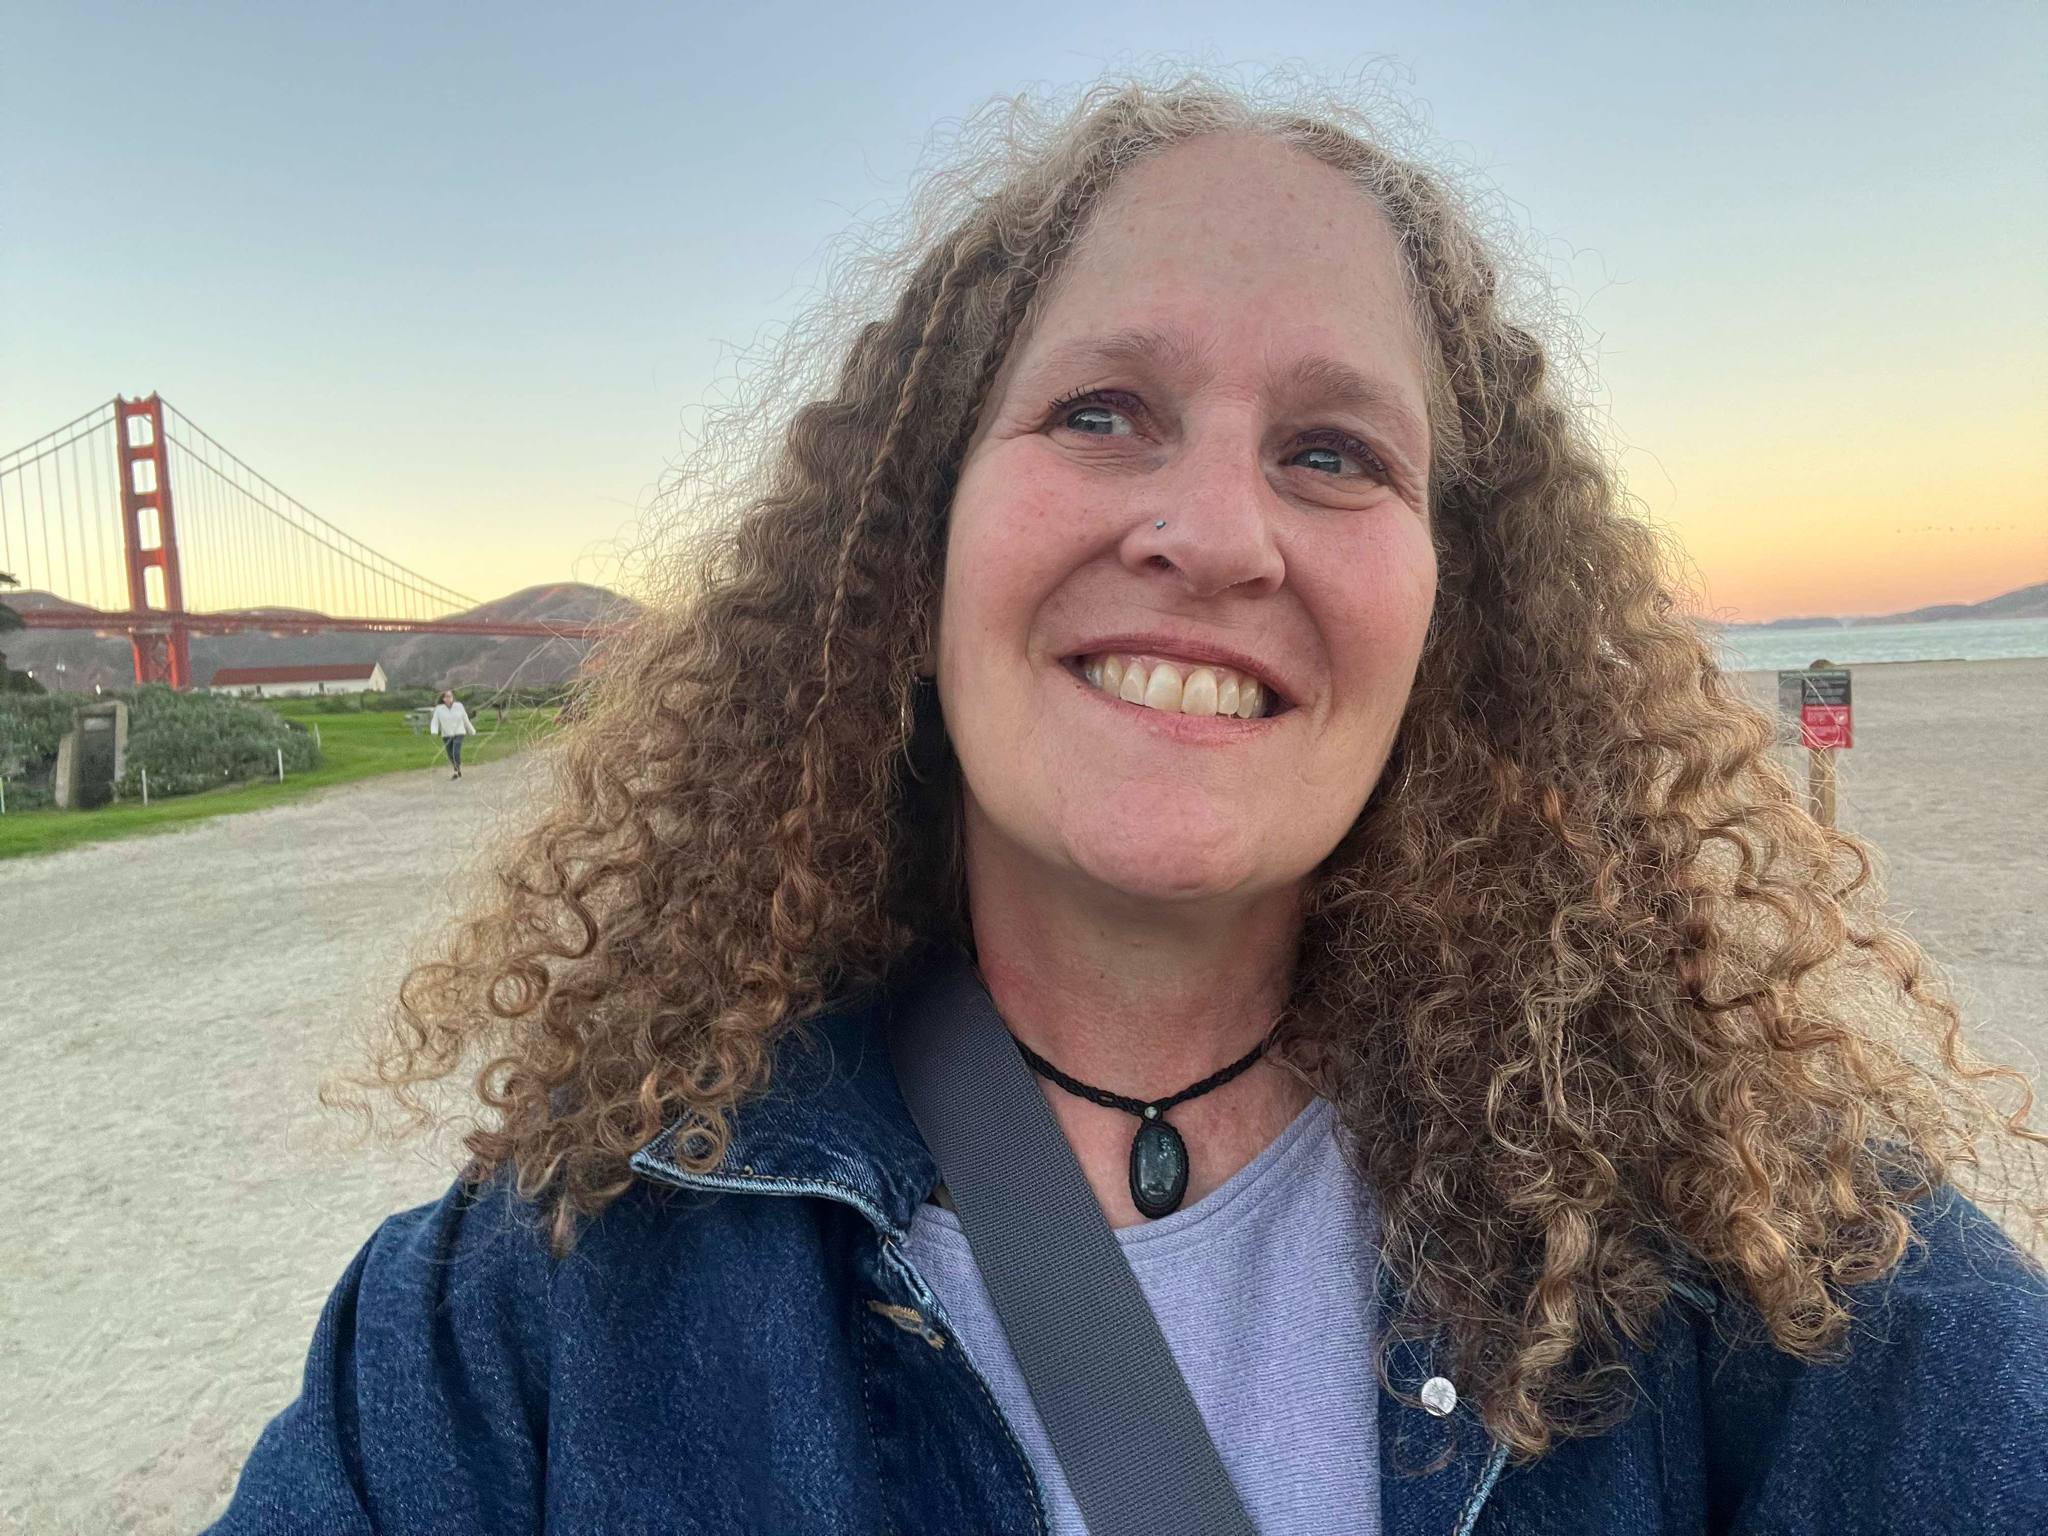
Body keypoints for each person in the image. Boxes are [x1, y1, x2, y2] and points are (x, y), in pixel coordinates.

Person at [206, 79, 2046, 1535]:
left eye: (1331, 453)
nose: (1214, 533)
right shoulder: (534, 1309)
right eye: (1100, 411)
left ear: (1451, 610)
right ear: (906, 548)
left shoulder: (1777, 1283)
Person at [427, 688, 472, 779]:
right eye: (447, 696)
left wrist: (470, 730)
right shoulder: (439, 709)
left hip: (459, 732)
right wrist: (434, 731)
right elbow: (435, 721)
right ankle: (457, 768)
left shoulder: (459, 706)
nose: (449, 698)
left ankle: (456, 771)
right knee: (450, 754)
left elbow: (465, 718)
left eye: (450, 696)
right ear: (443, 699)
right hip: (446, 735)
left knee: (456, 751)